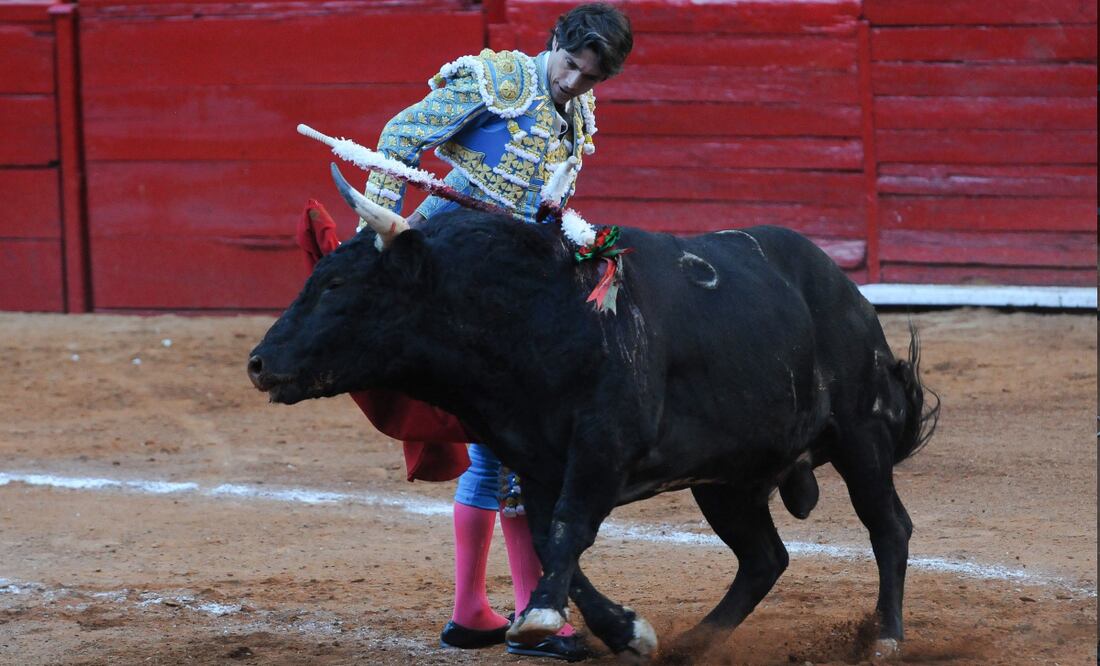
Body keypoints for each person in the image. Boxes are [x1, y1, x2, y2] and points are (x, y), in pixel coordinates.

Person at [359, 3, 633, 661]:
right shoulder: (502, 81)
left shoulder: (577, 115)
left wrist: (571, 233)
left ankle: (473, 613)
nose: (573, 84)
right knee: (517, 449)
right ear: (554, 44)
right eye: (570, 66)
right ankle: (537, 617)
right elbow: (399, 137)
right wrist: (384, 241)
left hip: (503, 292)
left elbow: (542, 205)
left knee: (500, 450)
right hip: (453, 278)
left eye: (589, 78)